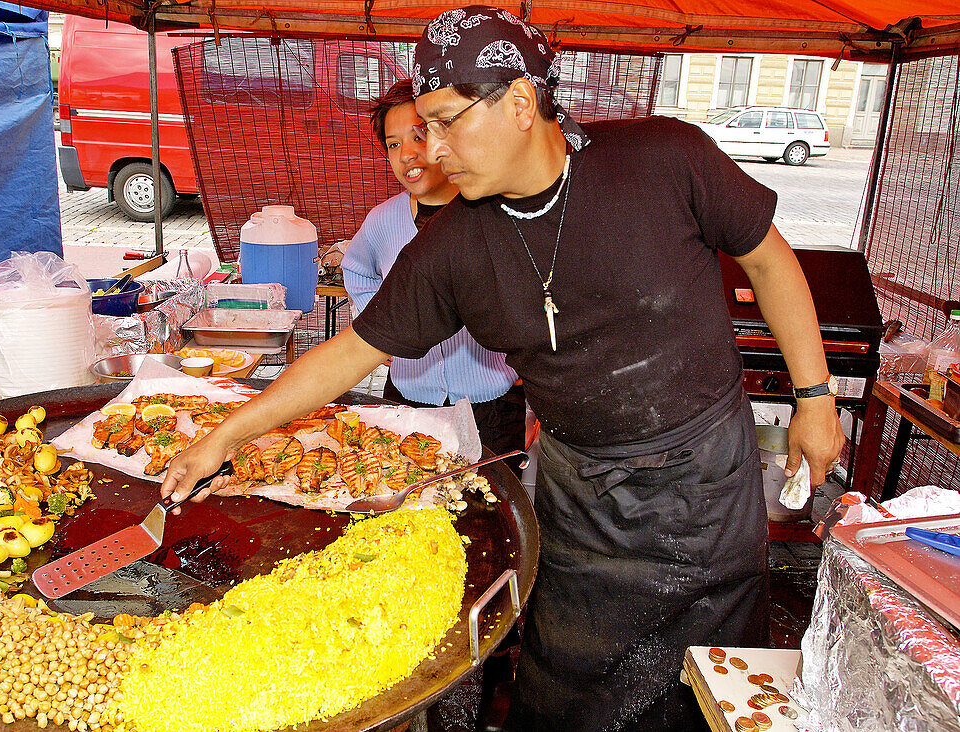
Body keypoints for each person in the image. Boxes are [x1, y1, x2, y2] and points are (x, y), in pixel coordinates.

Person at [162, 6, 845, 731]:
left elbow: (770, 261)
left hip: (705, 481)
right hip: (578, 496)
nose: (429, 149)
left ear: (522, 102)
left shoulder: (663, 159)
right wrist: (225, 436)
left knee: (710, 689)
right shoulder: (452, 246)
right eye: (422, 126)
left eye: (448, 122)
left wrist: (816, 399)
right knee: (567, 694)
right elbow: (348, 354)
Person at [342, 78, 525, 460]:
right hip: (407, 396)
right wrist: (382, 330)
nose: (408, 154)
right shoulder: (382, 221)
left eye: (419, 135)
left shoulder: (493, 213)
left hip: (489, 402)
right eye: (394, 144)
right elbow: (356, 270)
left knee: (485, 508)